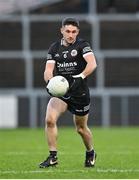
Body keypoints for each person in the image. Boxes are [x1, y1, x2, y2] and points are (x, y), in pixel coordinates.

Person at [39, 17, 97, 168]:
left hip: (80, 93)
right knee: (50, 120)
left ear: (77, 32)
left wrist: (81, 77)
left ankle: (90, 152)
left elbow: (92, 64)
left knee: (81, 129)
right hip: (62, 92)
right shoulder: (54, 48)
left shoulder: (82, 45)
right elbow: (48, 70)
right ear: (62, 31)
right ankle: (53, 157)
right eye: (68, 31)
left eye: (74, 32)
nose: (71, 35)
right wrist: (50, 83)